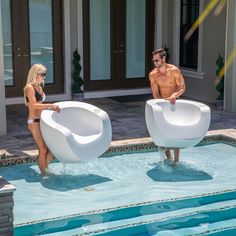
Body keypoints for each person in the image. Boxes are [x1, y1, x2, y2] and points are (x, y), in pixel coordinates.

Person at [149, 48, 186, 163]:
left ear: (163, 58)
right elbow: (155, 93)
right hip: (162, 104)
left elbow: (182, 87)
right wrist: (161, 105)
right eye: (153, 61)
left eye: (157, 60)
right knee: (162, 131)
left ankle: (176, 161)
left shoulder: (174, 70)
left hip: (174, 104)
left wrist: (174, 96)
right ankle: (168, 158)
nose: (155, 63)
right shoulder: (153, 75)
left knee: (175, 132)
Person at [24, 64, 61, 176]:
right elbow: (34, 106)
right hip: (34, 121)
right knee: (43, 148)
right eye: (43, 74)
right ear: (35, 74)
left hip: (42, 121)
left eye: (45, 74)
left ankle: (44, 169)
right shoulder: (29, 88)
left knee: (50, 148)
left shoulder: (39, 87)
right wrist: (50, 106)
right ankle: (44, 174)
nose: (44, 77)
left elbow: (40, 104)